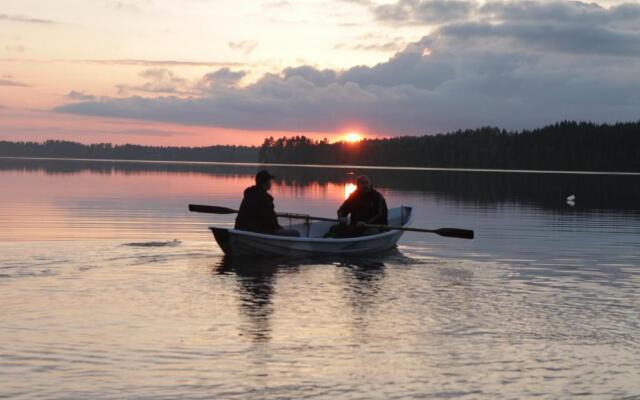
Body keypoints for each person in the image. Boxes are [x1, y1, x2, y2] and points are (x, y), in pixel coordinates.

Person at [235, 170, 300, 237]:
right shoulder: (266, 199)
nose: (271, 183)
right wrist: (280, 228)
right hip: (258, 232)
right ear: (265, 182)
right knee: (295, 233)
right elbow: (271, 222)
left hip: (240, 229)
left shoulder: (249, 194)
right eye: (269, 181)